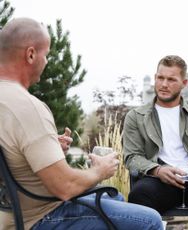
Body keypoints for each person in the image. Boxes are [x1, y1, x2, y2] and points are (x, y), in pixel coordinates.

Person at [0, 18, 163, 230]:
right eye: (46, 55)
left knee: (115, 199)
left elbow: (12, 157)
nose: (47, 62)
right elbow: (65, 186)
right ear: (30, 54)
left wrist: (50, 148)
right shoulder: (27, 107)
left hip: (12, 211)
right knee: (149, 220)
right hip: (38, 218)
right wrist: (100, 170)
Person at [123, 55, 188, 230]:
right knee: (139, 196)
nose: (164, 84)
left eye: (171, 79)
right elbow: (132, 157)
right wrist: (157, 170)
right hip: (159, 180)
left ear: (184, 83)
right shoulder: (136, 116)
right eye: (160, 77)